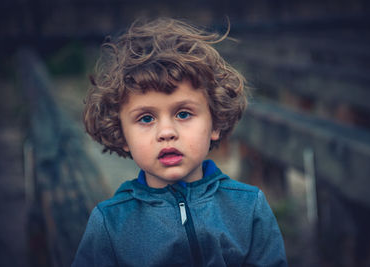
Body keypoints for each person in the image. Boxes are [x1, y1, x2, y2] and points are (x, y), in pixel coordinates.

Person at [72, 17, 287, 266]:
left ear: (215, 123)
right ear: (122, 135)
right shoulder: (110, 223)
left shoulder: (248, 207)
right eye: (146, 118)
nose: (166, 132)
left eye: (183, 114)